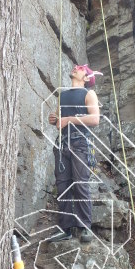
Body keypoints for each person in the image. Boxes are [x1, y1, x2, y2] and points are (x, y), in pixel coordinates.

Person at [48, 64, 101, 243]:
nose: (75, 68)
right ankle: (65, 228)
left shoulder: (89, 94)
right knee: (62, 187)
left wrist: (68, 119)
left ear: (86, 78)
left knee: (79, 184)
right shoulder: (63, 96)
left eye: (80, 68)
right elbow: (58, 123)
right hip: (64, 144)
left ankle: (85, 226)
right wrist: (54, 119)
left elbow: (95, 119)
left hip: (79, 143)